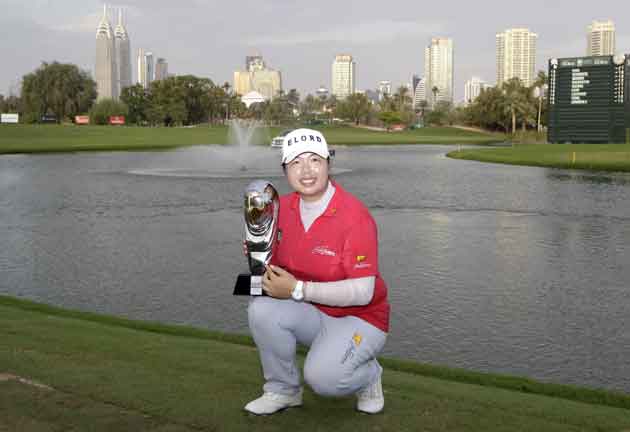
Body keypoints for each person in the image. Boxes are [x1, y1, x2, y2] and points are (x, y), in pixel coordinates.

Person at [244, 128, 390, 415]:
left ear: (328, 164)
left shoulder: (354, 217)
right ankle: (282, 390)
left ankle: (370, 376)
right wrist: (258, 255)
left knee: (325, 380)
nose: (306, 170)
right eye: (296, 163)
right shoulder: (279, 209)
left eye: (314, 160)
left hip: (359, 319)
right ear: (285, 170)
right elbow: (275, 269)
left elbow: (363, 292)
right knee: (261, 309)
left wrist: (298, 289)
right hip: (311, 310)